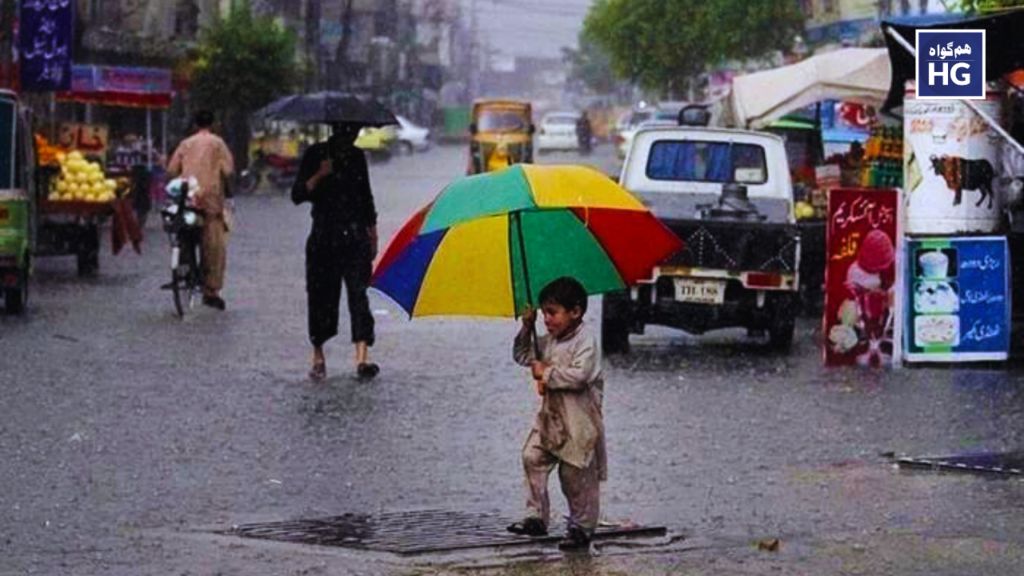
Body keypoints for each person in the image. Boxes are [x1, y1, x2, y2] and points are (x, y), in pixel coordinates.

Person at [508, 277, 607, 551]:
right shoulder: (549, 340)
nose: (547, 320)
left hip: (579, 421)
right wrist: (527, 326)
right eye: (543, 314)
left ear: (575, 312)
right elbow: (522, 355)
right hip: (551, 418)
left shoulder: (586, 341)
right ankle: (536, 516)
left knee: (575, 475)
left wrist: (547, 373)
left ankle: (581, 527)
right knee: (532, 457)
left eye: (552, 313)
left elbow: (580, 376)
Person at [292, 122, 380, 382]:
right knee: (321, 297)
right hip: (323, 238)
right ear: (337, 131)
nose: (351, 137)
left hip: (355, 238)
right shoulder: (315, 154)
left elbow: (366, 197)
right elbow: (297, 194)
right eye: (348, 132)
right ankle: (318, 356)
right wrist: (320, 175)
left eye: (355, 132)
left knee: (359, 295)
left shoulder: (357, 156)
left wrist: (372, 232)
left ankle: (362, 357)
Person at [167, 110, 235, 310]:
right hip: (210, 202)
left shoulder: (185, 143)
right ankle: (211, 290)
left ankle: (185, 268)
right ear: (213, 124)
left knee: (183, 234)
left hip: (187, 199)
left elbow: (172, 170)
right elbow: (228, 171)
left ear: (195, 125)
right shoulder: (218, 143)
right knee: (214, 246)